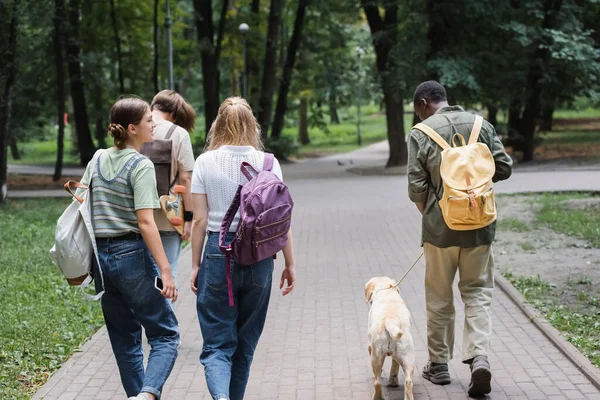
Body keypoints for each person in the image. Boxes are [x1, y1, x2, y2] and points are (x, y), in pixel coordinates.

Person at [407, 81, 512, 396]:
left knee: (439, 297)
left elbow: (416, 186)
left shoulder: (420, 133)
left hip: (440, 230)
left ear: (425, 103)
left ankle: (438, 366)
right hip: (480, 225)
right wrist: (474, 185)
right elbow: (504, 168)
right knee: (477, 293)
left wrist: (433, 208)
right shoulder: (481, 125)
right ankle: (478, 355)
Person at [189, 97, 296, 400]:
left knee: (217, 345)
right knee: (245, 343)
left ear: (218, 125)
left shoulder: (204, 162)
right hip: (260, 257)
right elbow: (280, 219)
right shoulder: (268, 162)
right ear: (252, 125)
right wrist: (290, 264)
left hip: (217, 254)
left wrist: (195, 266)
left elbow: (198, 221)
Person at [79, 97, 179, 400]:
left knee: (125, 342)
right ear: (133, 128)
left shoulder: (97, 159)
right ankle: (148, 395)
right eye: (149, 119)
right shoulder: (141, 164)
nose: (154, 124)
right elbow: (147, 223)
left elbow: (81, 202)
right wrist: (165, 270)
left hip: (102, 262)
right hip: (133, 257)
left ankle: (137, 396)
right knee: (166, 335)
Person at [149, 90, 196, 300]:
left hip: (138, 220)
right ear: (175, 114)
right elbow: (186, 179)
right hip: (169, 218)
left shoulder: (135, 127)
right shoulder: (178, 134)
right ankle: (166, 333)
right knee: (167, 279)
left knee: (144, 280)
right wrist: (189, 219)